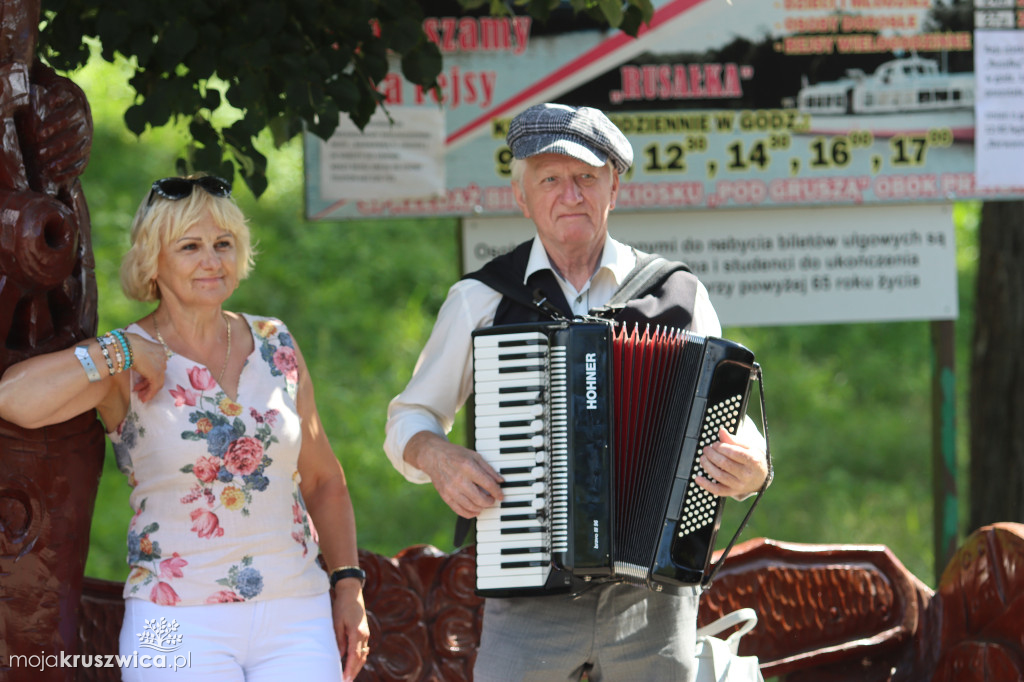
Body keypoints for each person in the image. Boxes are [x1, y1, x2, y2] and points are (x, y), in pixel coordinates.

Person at [384, 103, 771, 682]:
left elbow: (722, 413)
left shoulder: (678, 294)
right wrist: (437, 457)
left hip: (651, 600)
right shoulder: (482, 299)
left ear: (613, 187)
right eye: (551, 179)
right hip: (528, 592)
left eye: (587, 177)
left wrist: (752, 462)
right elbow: (408, 418)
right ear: (523, 198)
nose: (571, 194)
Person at [0, 174, 370, 681]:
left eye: (223, 244)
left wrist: (348, 584)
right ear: (154, 258)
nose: (212, 261)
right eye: (190, 246)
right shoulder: (124, 360)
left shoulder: (274, 340)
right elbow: (13, 399)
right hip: (170, 617)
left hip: (297, 613)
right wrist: (121, 352)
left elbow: (325, 480)